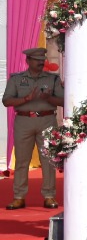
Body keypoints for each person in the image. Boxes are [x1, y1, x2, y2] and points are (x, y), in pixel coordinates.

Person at [4, 47, 62, 209]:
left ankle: (49, 195)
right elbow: (6, 101)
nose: (40, 63)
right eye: (37, 60)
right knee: (22, 160)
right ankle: (19, 196)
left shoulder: (53, 79)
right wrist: (25, 99)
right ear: (28, 61)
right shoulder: (16, 79)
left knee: (48, 160)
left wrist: (48, 97)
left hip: (47, 120)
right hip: (24, 121)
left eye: (42, 60)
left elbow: (64, 101)